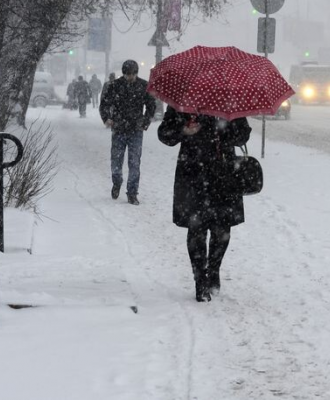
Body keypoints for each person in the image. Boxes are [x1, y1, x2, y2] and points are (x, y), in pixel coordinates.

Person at [157, 107, 251, 302]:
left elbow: (243, 135)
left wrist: (226, 130)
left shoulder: (228, 100)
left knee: (222, 228)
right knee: (197, 229)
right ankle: (200, 279)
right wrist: (184, 130)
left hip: (224, 174)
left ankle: (214, 270)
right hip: (193, 174)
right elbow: (164, 134)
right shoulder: (184, 102)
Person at [100, 60, 156, 205]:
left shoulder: (143, 86)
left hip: (136, 130)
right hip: (118, 128)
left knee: (134, 162)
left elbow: (151, 106)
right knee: (116, 161)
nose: (130, 77)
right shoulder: (115, 86)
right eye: (127, 74)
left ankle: (132, 192)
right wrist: (106, 118)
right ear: (123, 73)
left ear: (136, 73)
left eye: (132, 74)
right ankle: (117, 182)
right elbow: (104, 103)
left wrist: (145, 122)